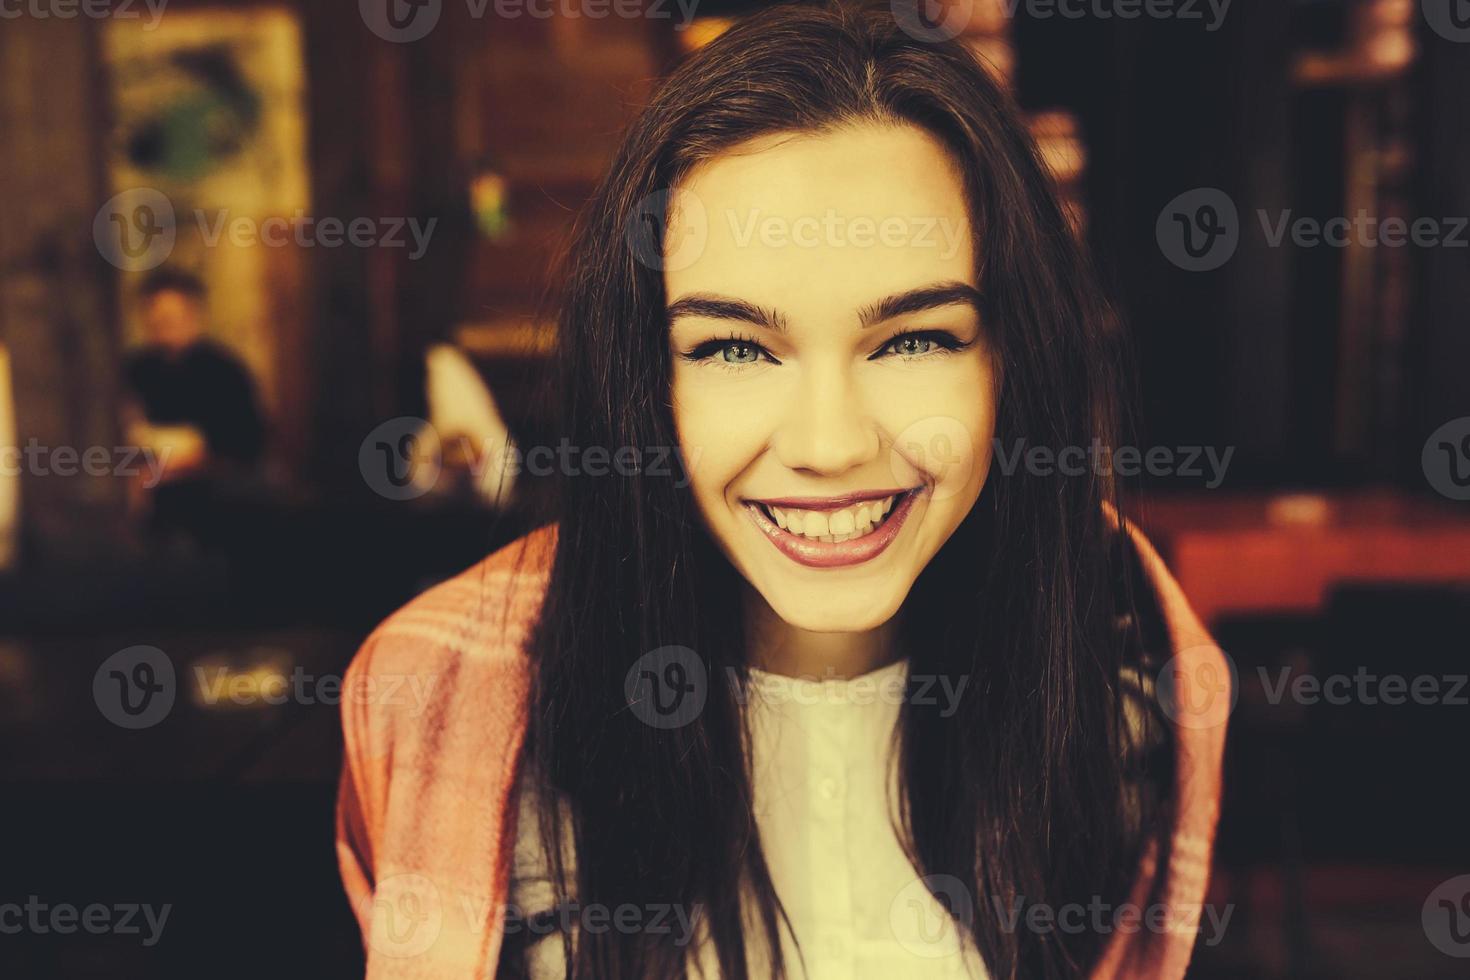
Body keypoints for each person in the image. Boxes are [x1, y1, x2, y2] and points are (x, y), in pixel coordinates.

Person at [335, 5, 1229, 978]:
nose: (829, 444)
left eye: (915, 338)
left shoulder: (1134, 685)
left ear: (1016, 358)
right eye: (733, 347)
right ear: (647, 375)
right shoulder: (443, 699)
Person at [121, 267, 266, 549]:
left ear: (194, 315)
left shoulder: (225, 371)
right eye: (156, 318)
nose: (162, 326)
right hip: (151, 505)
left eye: (171, 318)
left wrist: (192, 459)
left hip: (214, 501)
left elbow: (247, 442)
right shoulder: (137, 369)